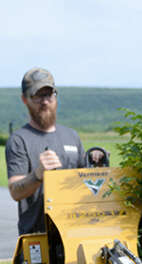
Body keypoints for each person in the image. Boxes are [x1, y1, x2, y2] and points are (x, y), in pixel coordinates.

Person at [5, 67, 86, 234]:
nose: (45, 101)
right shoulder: (19, 140)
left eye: (49, 95)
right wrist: (37, 175)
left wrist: (97, 163)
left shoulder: (71, 136)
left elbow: (85, 183)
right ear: (24, 99)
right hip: (37, 236)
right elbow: (15, 191)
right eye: (37, 96)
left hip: (73, 233)